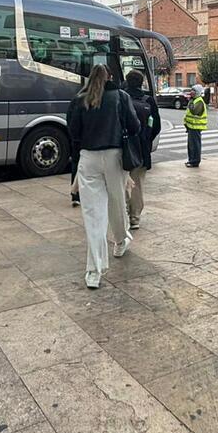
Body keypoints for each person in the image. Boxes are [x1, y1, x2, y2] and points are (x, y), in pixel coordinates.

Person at [66, 64, 140, 289]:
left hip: (88, 157)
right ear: (110, 77)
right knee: (117, 204)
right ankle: (120, 241)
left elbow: (73, 132)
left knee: (93, 215)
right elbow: (134, 126)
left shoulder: (80, 99)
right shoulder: (121, 97)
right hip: (114, 156)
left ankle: (93, 271)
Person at [123, 70, 160, 230]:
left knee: (122, 182)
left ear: (127, 81)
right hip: (141, 148)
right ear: (141, 82)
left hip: (123, 147)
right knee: (137, 184)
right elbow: (156, 126)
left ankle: (123, 214)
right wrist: (146, 139)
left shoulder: (121, 97)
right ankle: (135, 218)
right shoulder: (148, 100)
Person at [183, 83, 208, 168]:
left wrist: (190, 103)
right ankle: (191, 160)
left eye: (193, 90)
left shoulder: (199, 101)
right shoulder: (194, 100)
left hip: (196, 127)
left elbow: (194, 111)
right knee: (191, 145)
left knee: (195, 145)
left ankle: (194, 161)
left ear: (197, 92)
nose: (191, 92)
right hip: (191, 127)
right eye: (191, 90)